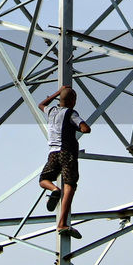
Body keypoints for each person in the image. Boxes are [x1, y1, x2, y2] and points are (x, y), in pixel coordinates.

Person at [38, 84, 90, 238]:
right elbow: (85, 129)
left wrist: (58, 92)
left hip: (53, 153)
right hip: (67, 153)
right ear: (73, 101)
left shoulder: (52, 111)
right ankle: (62, 224)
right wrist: (81, 127)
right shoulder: (71, 113)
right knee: (70, 184)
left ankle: (54, 190)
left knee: (43, 179)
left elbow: (41, 104)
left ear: (60, 99)